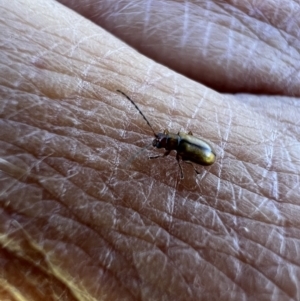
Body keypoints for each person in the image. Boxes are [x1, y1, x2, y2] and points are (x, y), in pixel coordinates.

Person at [0, 1, 299, 300]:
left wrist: (169, 161)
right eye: (161, 143)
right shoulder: (179, 138)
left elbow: (188, 157)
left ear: (169, 142)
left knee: (183, 162)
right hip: (203, 152)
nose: (159, 144)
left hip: (204, 156)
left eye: (161, 143)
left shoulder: (179, 147)